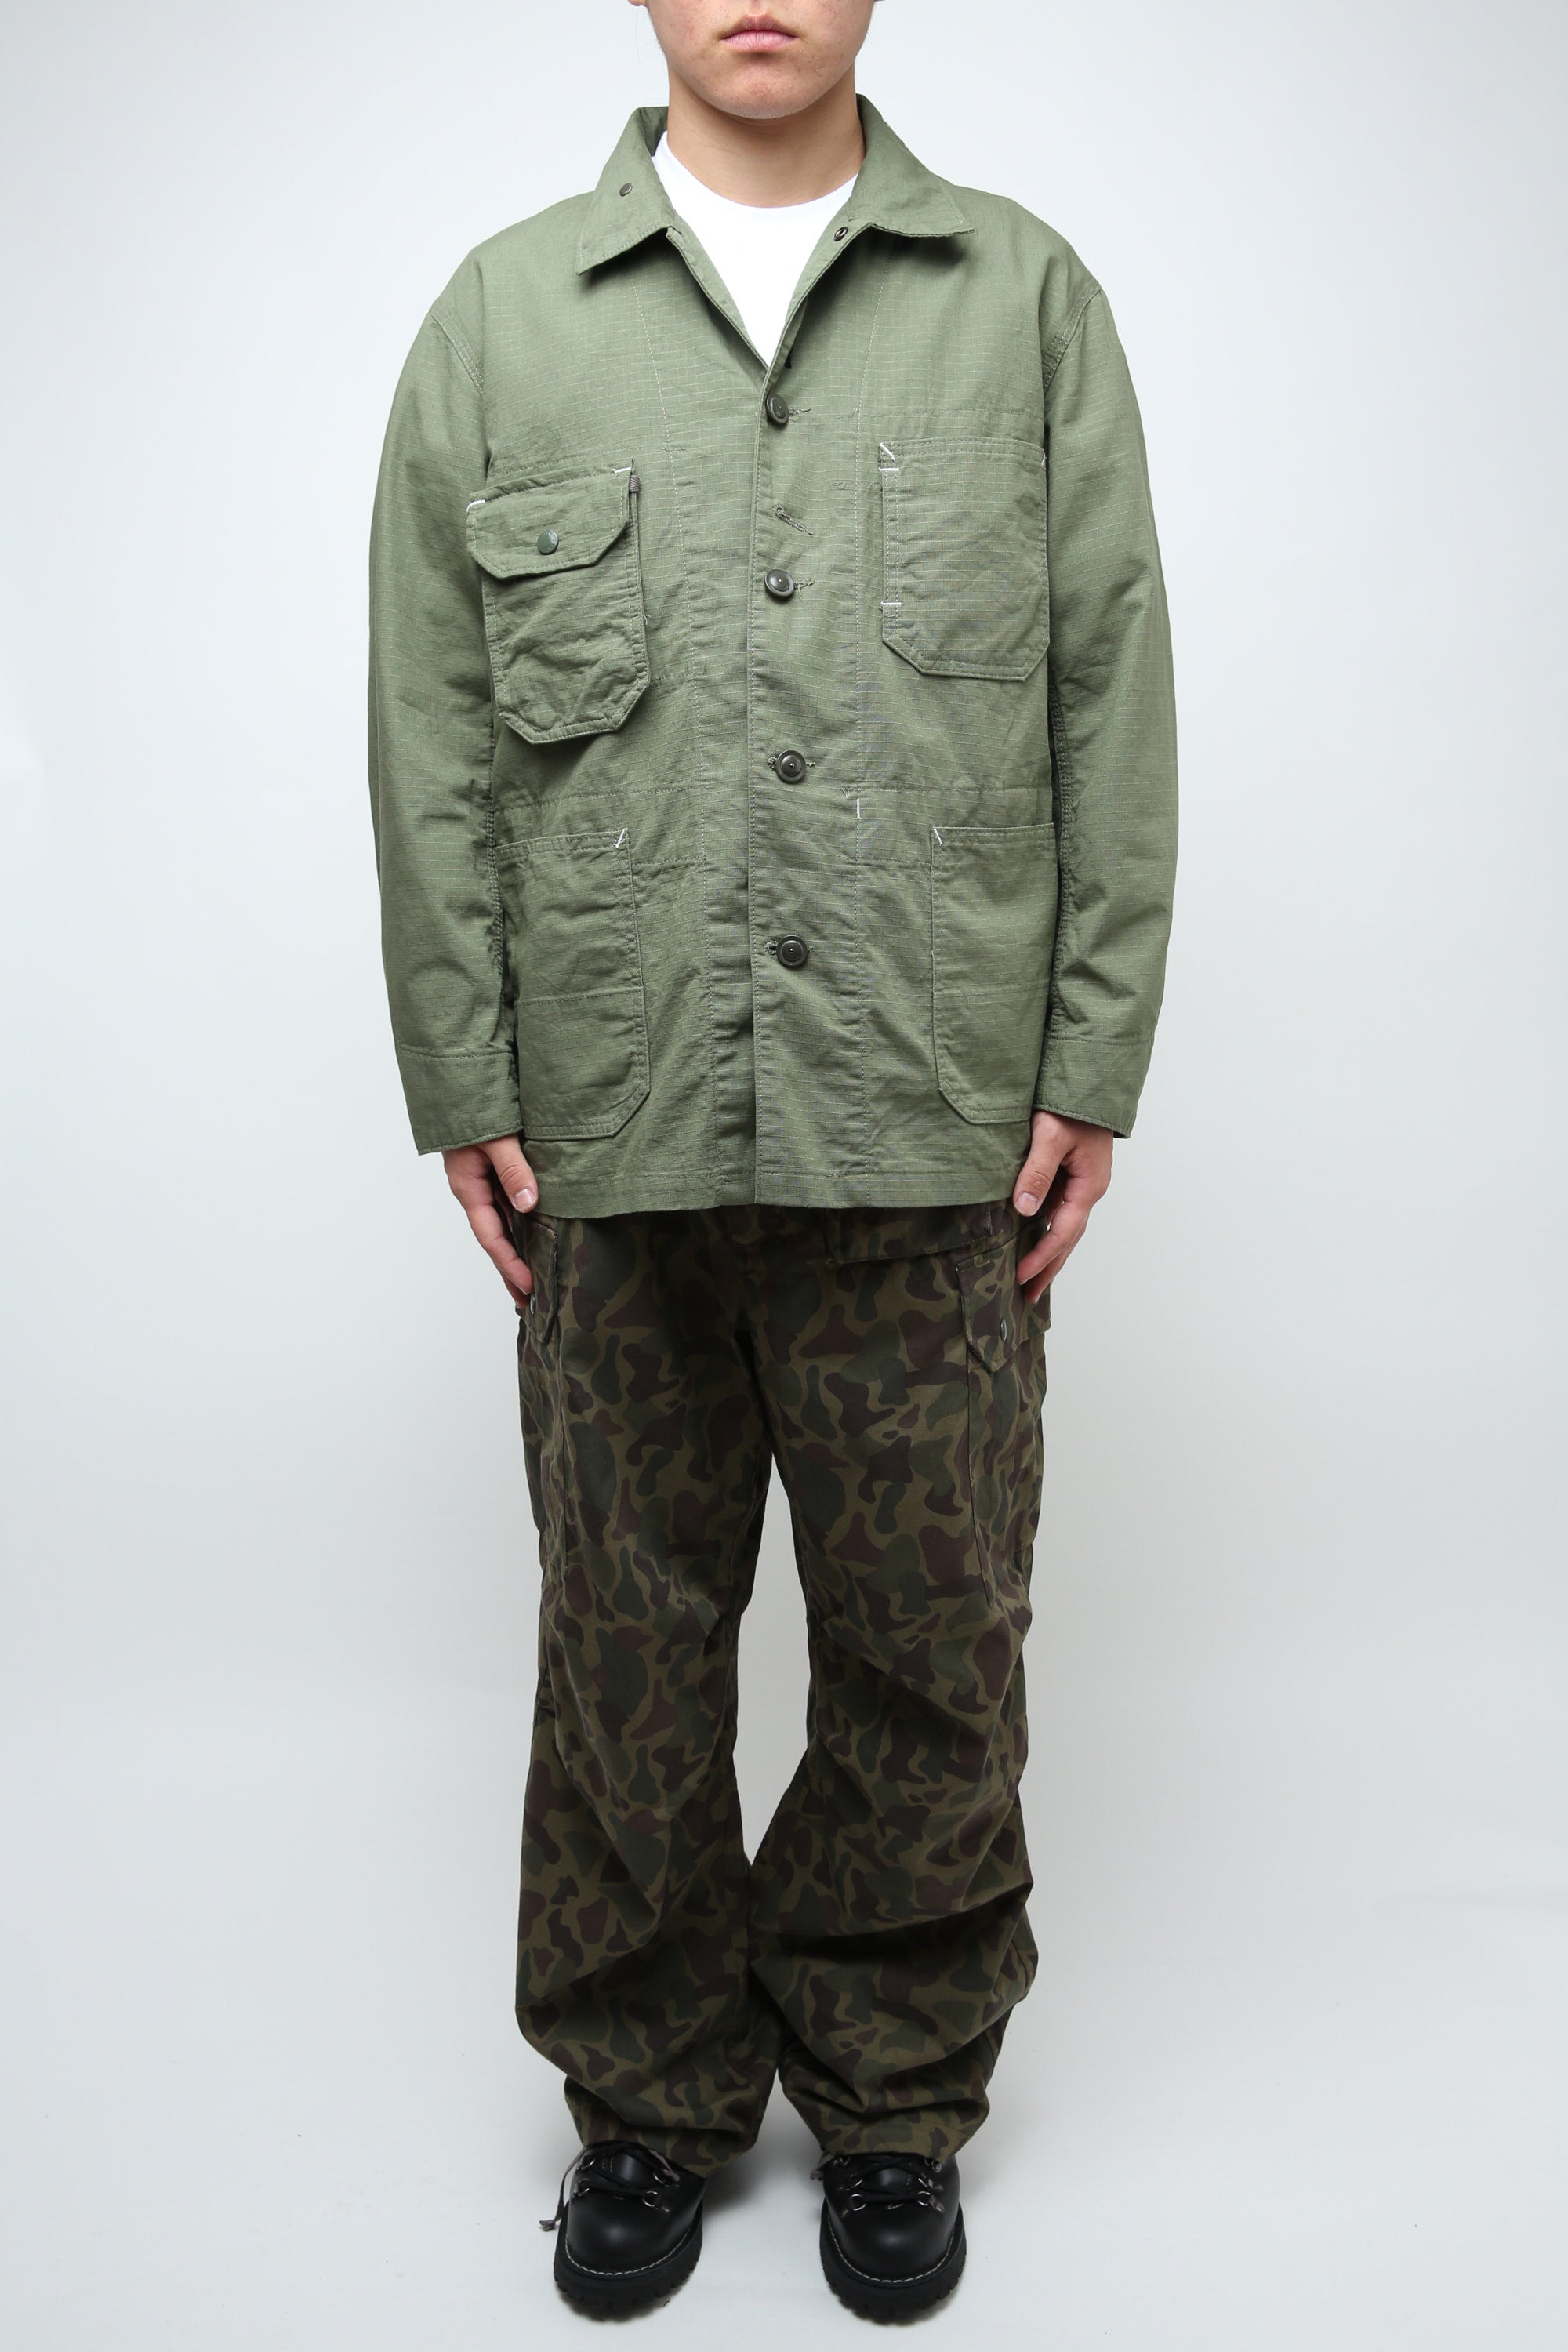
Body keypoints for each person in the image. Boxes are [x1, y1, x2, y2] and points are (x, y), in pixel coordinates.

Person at [368, 0, 1177, 2319]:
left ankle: (895, 2096)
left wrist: (1094, 1053)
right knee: (624, 1637)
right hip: (610, 1116)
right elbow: (429, 721)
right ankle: (645, 2098)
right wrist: (461, 1067)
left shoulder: (1022, 300)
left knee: (934, 1640)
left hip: (930, 1112)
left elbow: (1111, 677)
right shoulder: (505, 322)